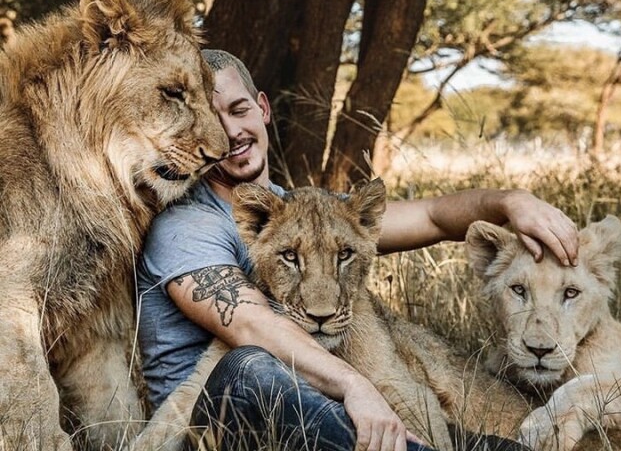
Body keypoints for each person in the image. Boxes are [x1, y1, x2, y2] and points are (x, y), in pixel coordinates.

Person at [136, 49, 579, 451]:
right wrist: (356, 386)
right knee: (248, 365)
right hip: (223, 415)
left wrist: (509, 202)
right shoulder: (186, 224)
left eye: (239, 109)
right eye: (216, 118)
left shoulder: (310, 213)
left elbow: (433, 217)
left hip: (314, 402)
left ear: (263, 109)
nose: (231, 131)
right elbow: (252, 328)